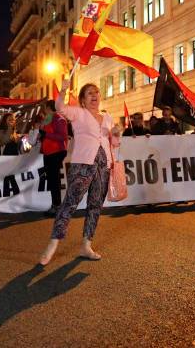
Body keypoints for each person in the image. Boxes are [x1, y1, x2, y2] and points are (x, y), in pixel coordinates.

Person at [39, 80, 120, 265]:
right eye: (90, 93)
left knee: (95, 206)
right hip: (83, 165)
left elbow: (113, 143)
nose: (94, 95)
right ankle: (53, 243)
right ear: (83, 99)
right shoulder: (79, 113)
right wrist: (64, 90)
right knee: (69, 204)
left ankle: (86, 245)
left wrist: (116, 132)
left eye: (97, 92)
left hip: (103, 165)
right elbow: (60, 108)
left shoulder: (107, 117)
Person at [41, 100, 68, 212]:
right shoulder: (48, 118)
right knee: (52, 180)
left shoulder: (58, 118)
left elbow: (62, 136)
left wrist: (45, 134)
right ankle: (55, 204)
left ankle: (57, 206)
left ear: (48, 107)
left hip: (56, 152)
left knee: (54, 180)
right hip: (48, 153)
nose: (44, 109)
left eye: (45, 107)